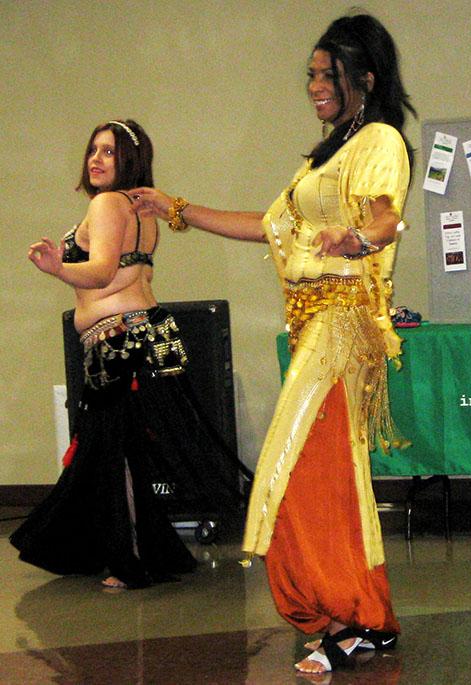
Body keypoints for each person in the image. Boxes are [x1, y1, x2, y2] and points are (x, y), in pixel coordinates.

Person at [130, 13, 414, 675]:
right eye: (311, 75)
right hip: (312, 327)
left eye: (328, 74)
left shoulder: (379, 141)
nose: (314, 85)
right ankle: (355, 615)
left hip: (343, 324)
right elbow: (268, 227)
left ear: (363, 79)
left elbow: (386, 214)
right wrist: (175, 208)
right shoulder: (323, 158)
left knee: (302, 473)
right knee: (320, 478)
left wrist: (364, 240)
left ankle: (354, 617)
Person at [12, 119, 246, 590]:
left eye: (110, 153)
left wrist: (58, 268)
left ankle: (131, 558)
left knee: (111, 450)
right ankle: (140, 549)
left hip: (117, 338)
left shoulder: (105, 205)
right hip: (151, 332)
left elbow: (99, 274)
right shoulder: (142, 211)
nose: (97, 160)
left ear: (129, 161)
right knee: (126, 447)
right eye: (94, 150)